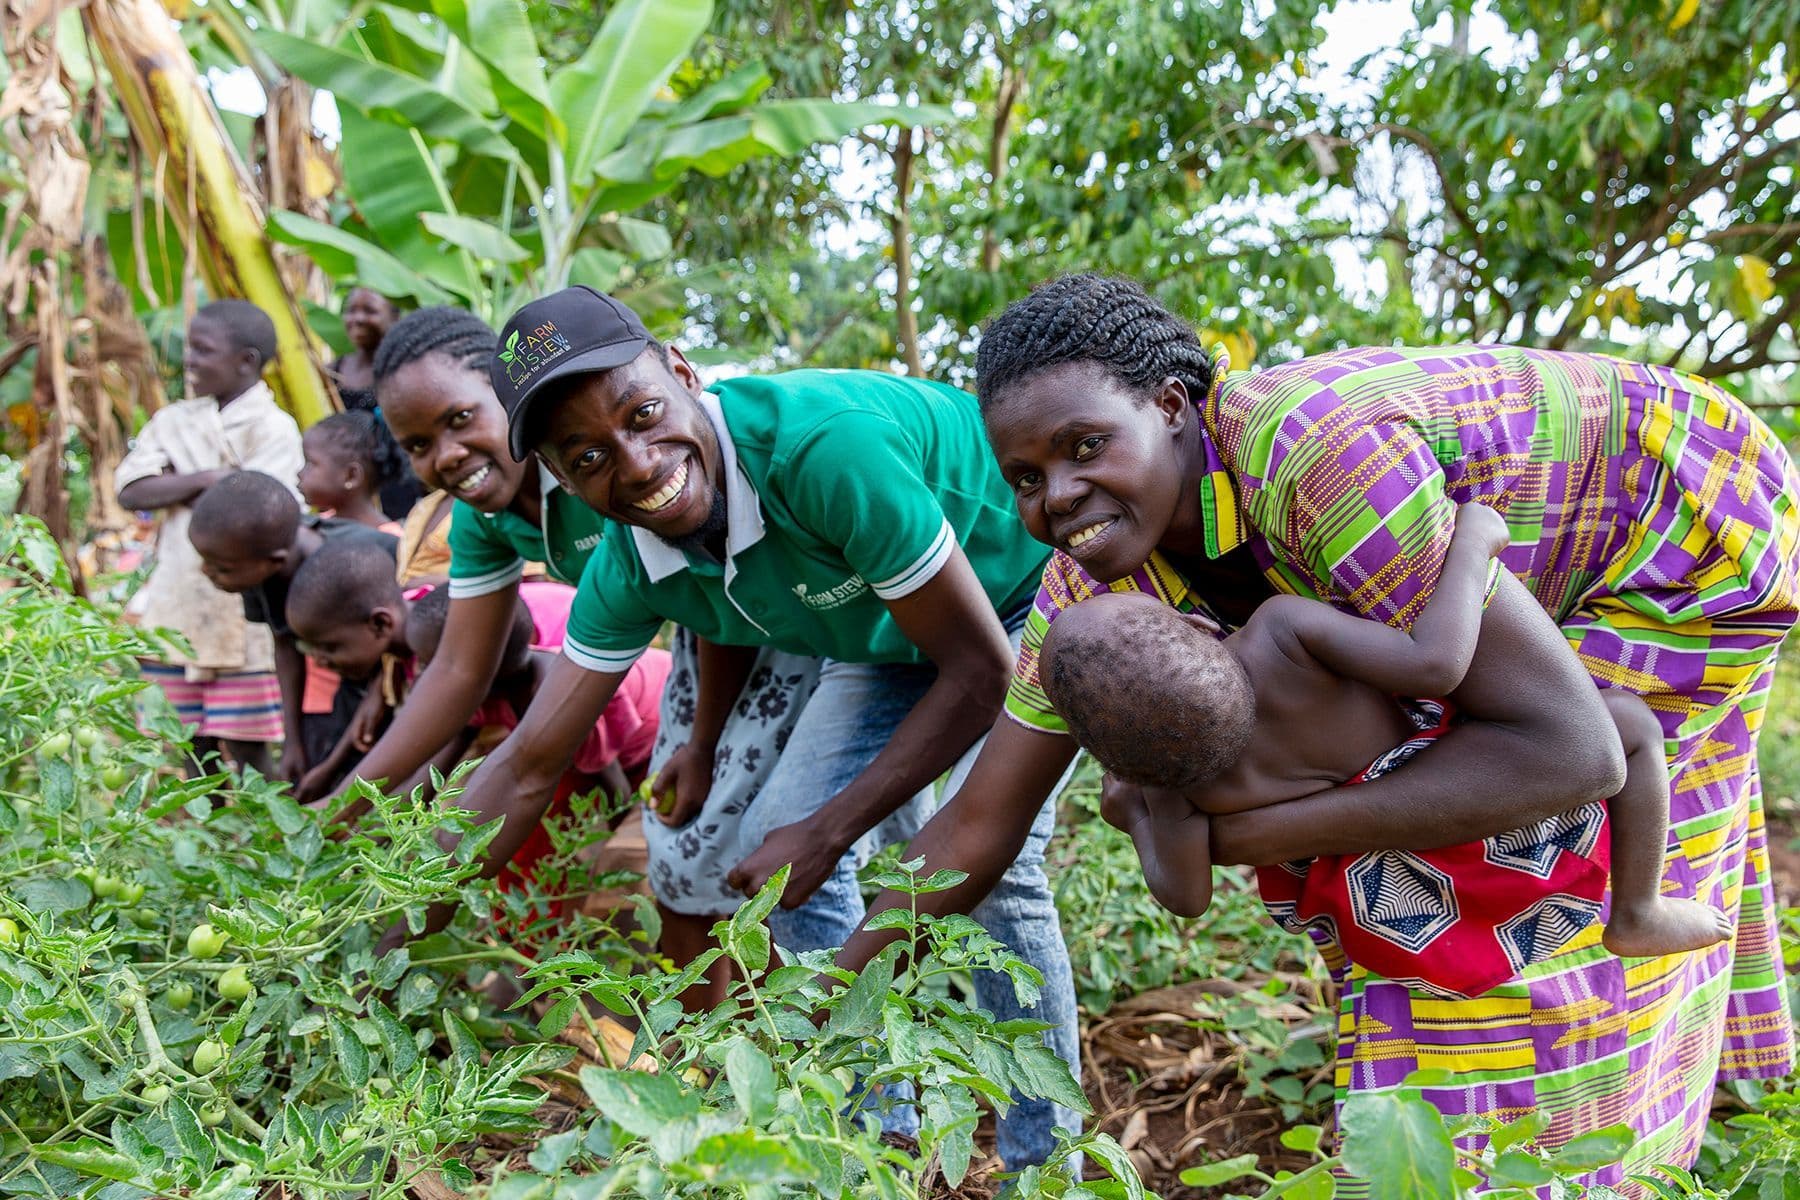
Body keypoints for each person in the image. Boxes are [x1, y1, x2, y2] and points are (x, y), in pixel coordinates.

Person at [844, 273, 1800, 1188]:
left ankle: (1575, 1161)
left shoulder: (1317, 468)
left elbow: (1575, 750)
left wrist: (1254, 837)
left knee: (1544, 903)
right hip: (1486, 601)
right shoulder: (1089, 596)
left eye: (1085, 445)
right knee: (1420, 862)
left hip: (1677, 529)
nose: (1054, 496)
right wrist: (827, 992)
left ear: (1172, 405)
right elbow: (977, 824)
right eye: (1024, 476)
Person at [388, 285, 1083, 1170]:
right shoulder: (630, 561)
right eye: (589, 455)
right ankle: (876, 1144)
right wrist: (397, 925)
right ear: (559, 477)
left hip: (1025, 593)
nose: (636, 465)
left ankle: (1049, 1166)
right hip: (888, 633)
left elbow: (982, 673)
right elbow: (531, 761)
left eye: (643, 414)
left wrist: (830, 829)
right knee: (775, 861)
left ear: (682, 373)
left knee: (991, 865)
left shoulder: (822, 449)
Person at [1042, 505, 1729, 997]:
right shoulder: (1281, 634)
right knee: (1629, 727)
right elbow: (1435, 664)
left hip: (1394, 913)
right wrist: (1472, 543)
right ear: (1193, 624)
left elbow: (1185, 896)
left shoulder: (1170, 789)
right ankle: (1638, 911)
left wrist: (1133, 808)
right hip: (1504, 839)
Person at [116, 299, 301, 777]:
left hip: (244, 616)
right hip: (178, 600)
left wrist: (176, 483)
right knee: (188, 745)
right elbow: (131, 489)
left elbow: (257, 513)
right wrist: (210, 479)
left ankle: (255, 846)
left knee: (249, 748)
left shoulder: (274, 429)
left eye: (203, 350)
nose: (190, 360)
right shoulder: (173, 419)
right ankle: (210, 840)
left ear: (246, 361)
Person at [187, 470, 397, 786]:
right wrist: (292, 741)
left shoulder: (364, 558)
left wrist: (378, 694)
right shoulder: (257, 562)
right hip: (344, 686)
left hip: (401, 681)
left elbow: (407, 632)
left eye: (220, 568)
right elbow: (285, 645)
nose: (206, 572)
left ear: (276, 560)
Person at [297, 410, 407, 534]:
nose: (299, 473)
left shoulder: (390, 540)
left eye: (311, 463)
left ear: (351, 476)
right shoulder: (316, 526)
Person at [329, 287, 400, 396]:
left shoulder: (401, 372)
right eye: (351, 310)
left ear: (395, 318)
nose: (358, 318)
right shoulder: (332, 371)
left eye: (370, 310)